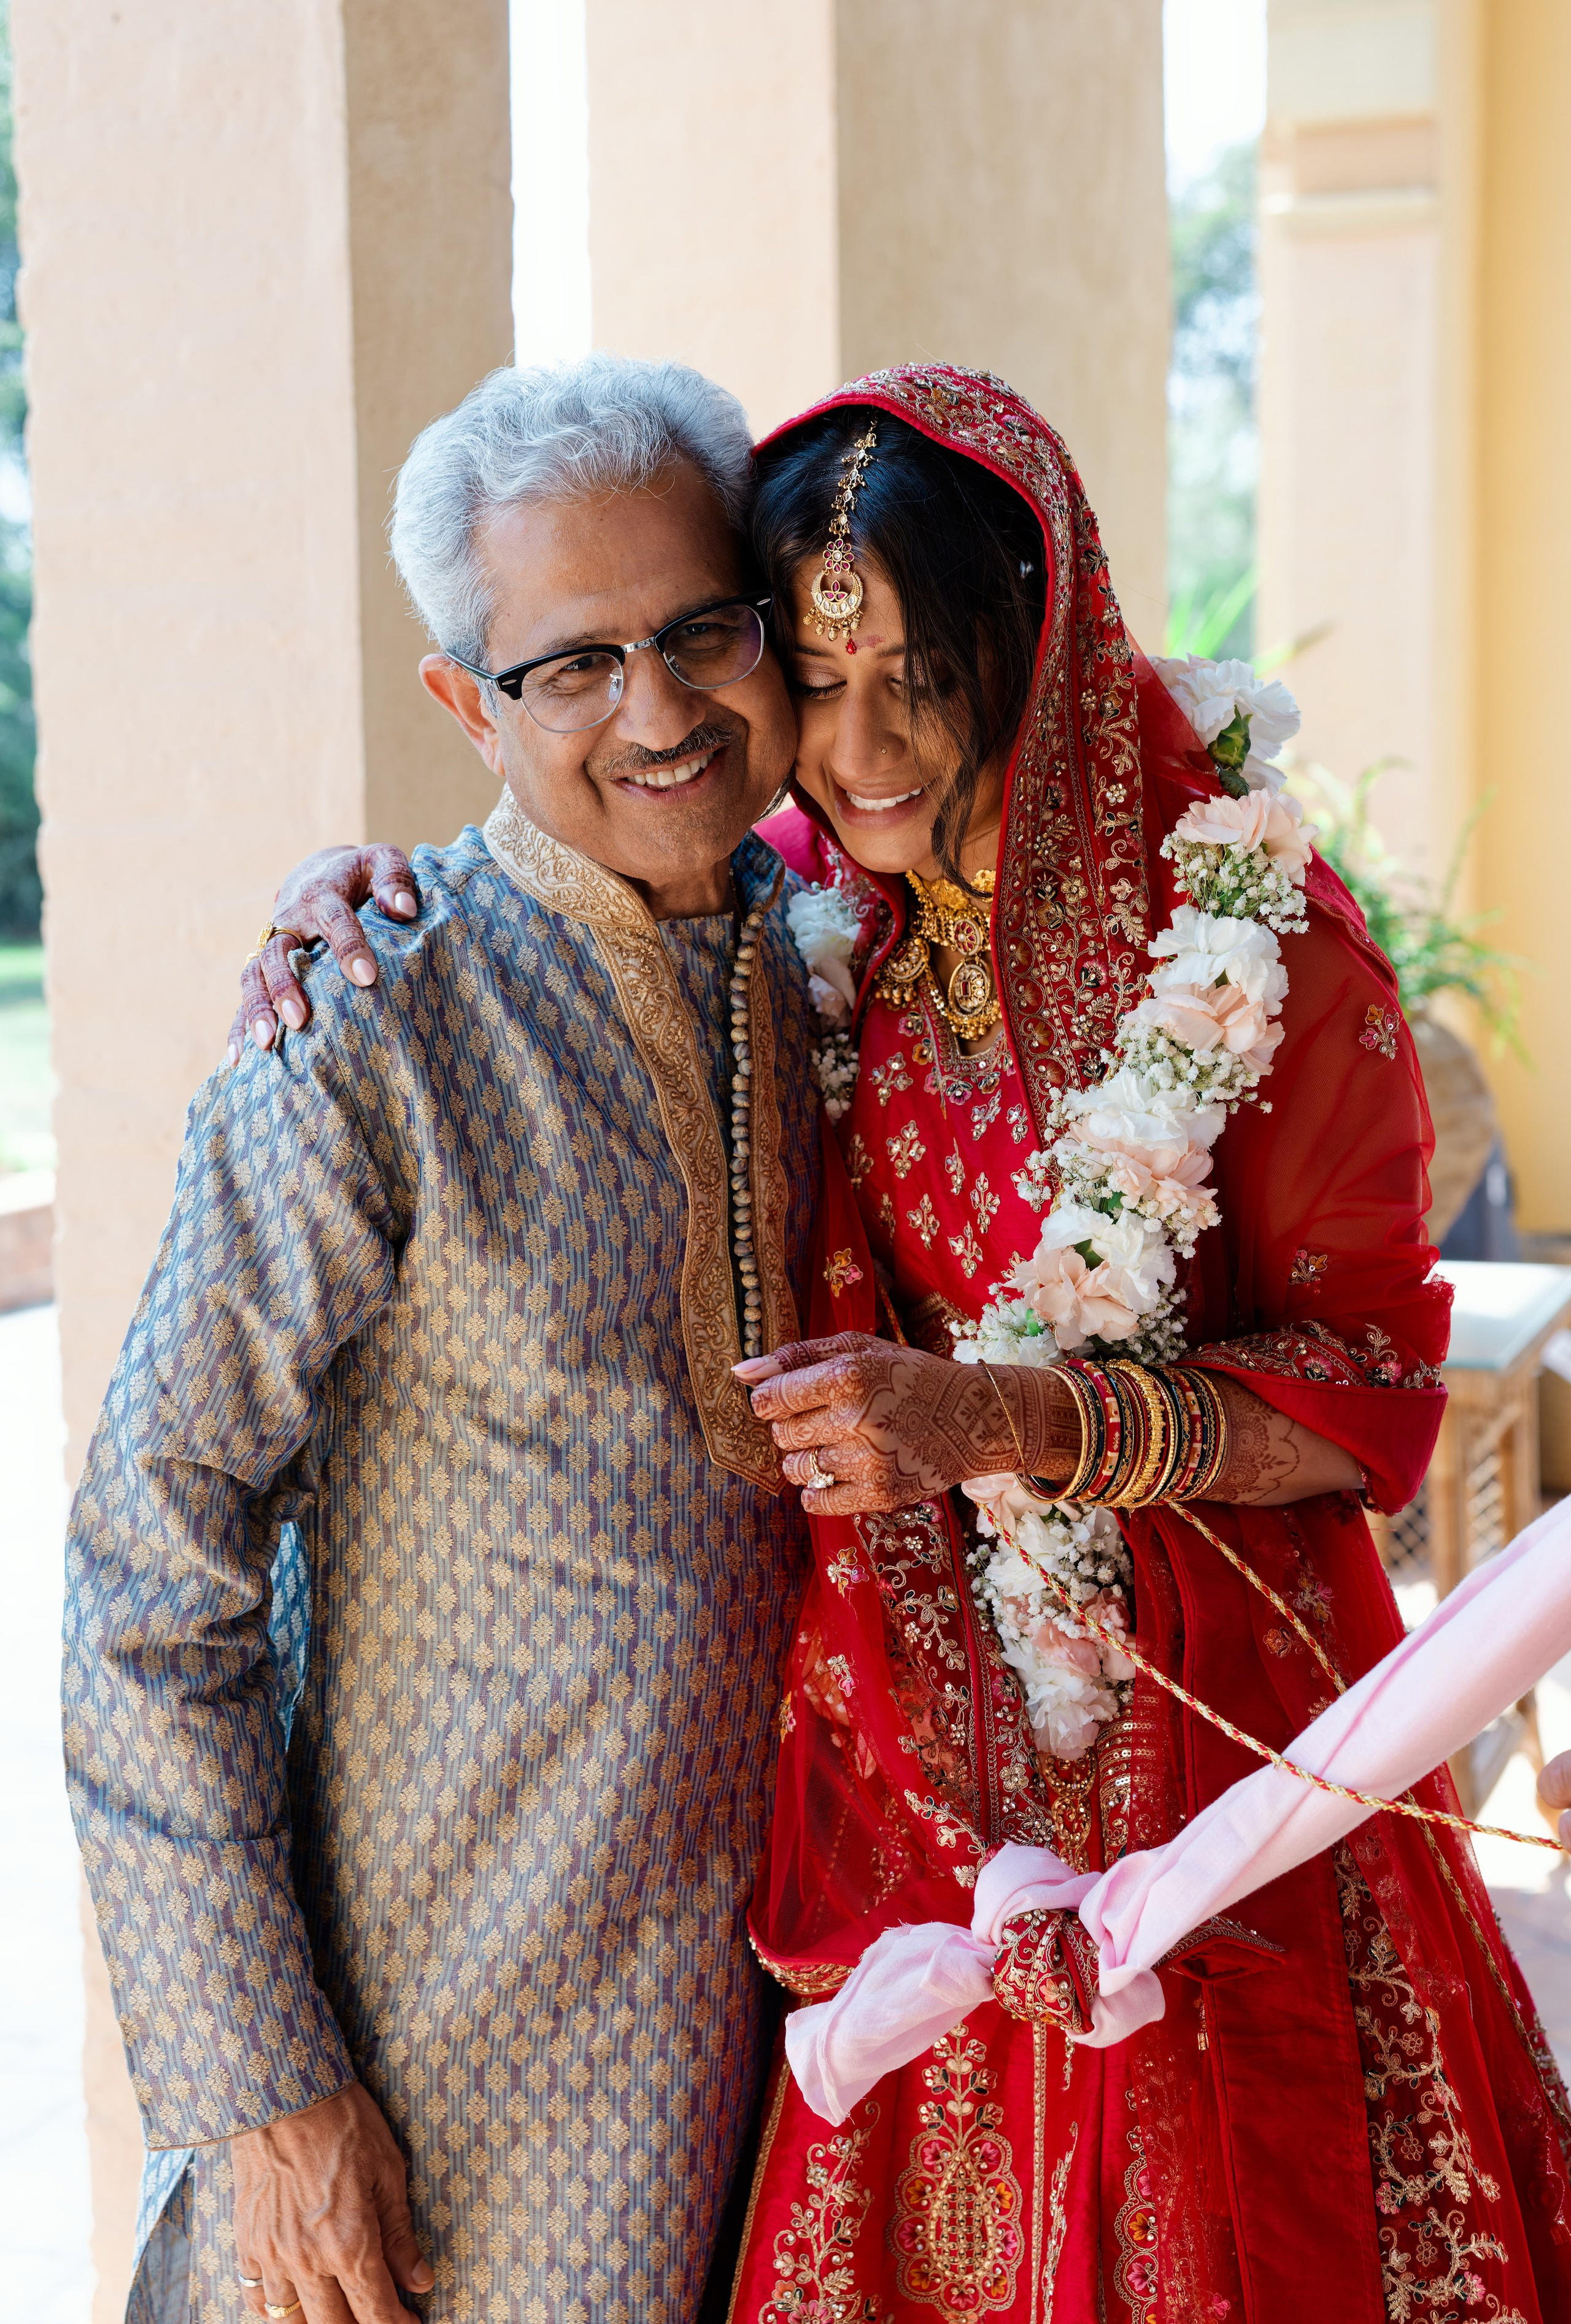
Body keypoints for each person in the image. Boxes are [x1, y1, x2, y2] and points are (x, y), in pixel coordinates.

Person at [269, 364, 1571, 2323]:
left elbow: (1377, 1400)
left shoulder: (1256, 940)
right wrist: (340, 894)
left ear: (1033, 652)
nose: (861, 747)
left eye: (923, 682)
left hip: (1208, 1762)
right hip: (908, 1756)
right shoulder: (800, 915)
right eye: (818, 674)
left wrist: (1006, 1418)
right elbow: (556, 837)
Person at [63, 355, 821, 2324]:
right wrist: (265, 2090)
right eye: (569, 666)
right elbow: (150, 1574)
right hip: (441, 2096)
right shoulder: (368, 1025)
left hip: (799, 2059)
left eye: (696, 631)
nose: (654, 711)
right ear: (466, 708)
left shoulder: (840, 980)